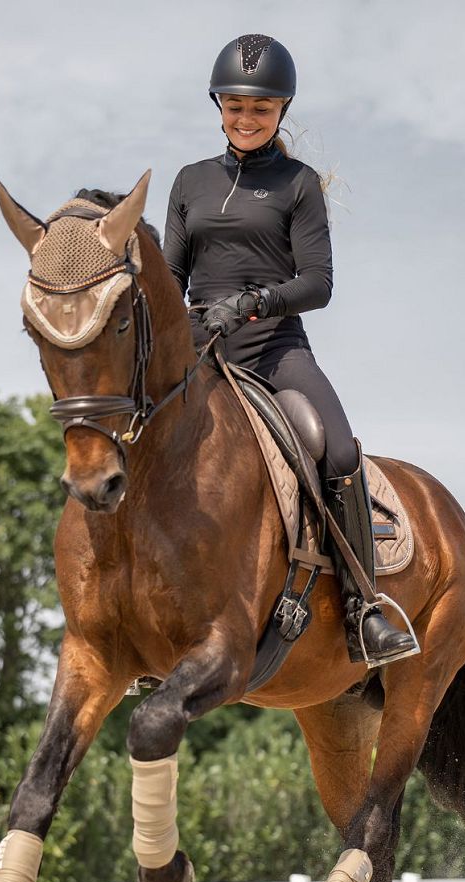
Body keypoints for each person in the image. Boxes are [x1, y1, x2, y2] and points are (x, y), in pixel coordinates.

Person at [162, 33, 416, 667]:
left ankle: (363, 608)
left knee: (336, 446)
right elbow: (170, 273)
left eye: (262, 108)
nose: (247, 119)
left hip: (274, 348)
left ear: (282, 111)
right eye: (236, 106)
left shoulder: (299, 184)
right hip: (199, 350)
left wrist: (250, 303)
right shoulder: (189, 181)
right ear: (218, 105)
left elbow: (318, 283)